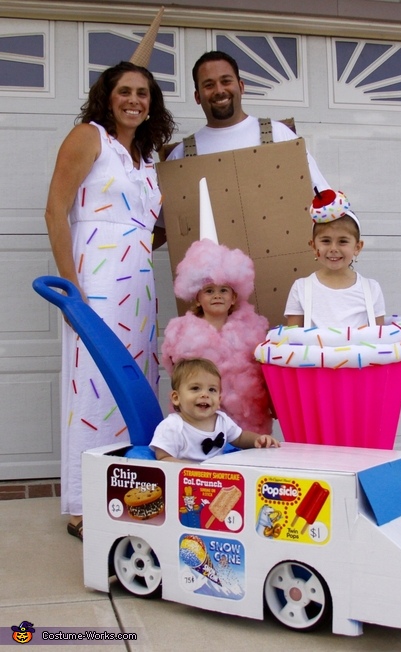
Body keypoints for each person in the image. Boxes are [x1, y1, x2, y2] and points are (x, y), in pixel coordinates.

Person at [44, 60, 175, 540]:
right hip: (95, 278)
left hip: (138, 282)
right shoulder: (89, 136)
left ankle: (131, 487)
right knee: (93, 383)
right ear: (108, 95)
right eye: (125, 91)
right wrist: (70, 287)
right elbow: (55, 210)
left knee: (137, 379)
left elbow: (147, 229)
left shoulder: (144, 156)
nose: (134, 100)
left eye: (143, 92)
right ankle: (83, 505)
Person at [161, 227, 273, 435]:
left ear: (234, 297)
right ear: (197, 297)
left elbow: (265, 374)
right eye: (209, 291)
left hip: (247, 423)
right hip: (196, 424)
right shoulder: (181, 332)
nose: (217, 296)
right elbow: (176, 373)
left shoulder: (253, 331)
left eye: (224, 290)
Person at [165, 50, 329, 191]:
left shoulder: (280, 136)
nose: (219, 90)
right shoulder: (180, 156)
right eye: (209, 85)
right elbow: (162, 224)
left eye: (226, 81)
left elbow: (324, 198)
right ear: (197, 96)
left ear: (241, 87)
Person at [285, 189, 385, 329]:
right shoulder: (301, 288)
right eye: (326, 241)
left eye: (343, 241)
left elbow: (380, 340)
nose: (333, 248)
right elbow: (292, 339)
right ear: (313, 246)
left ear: (357, 247)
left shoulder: (371, 289)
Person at [151, 358, 279, 462]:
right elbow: (163, 457)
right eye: (195, 388)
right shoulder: (172, 426)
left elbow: (240, 437)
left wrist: (258, 439)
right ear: (176, 397)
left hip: (216, 480)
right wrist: (191, 469)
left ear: (219, 400)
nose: (205, 395)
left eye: (211, 390)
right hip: (186, 482)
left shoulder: (221, 420)